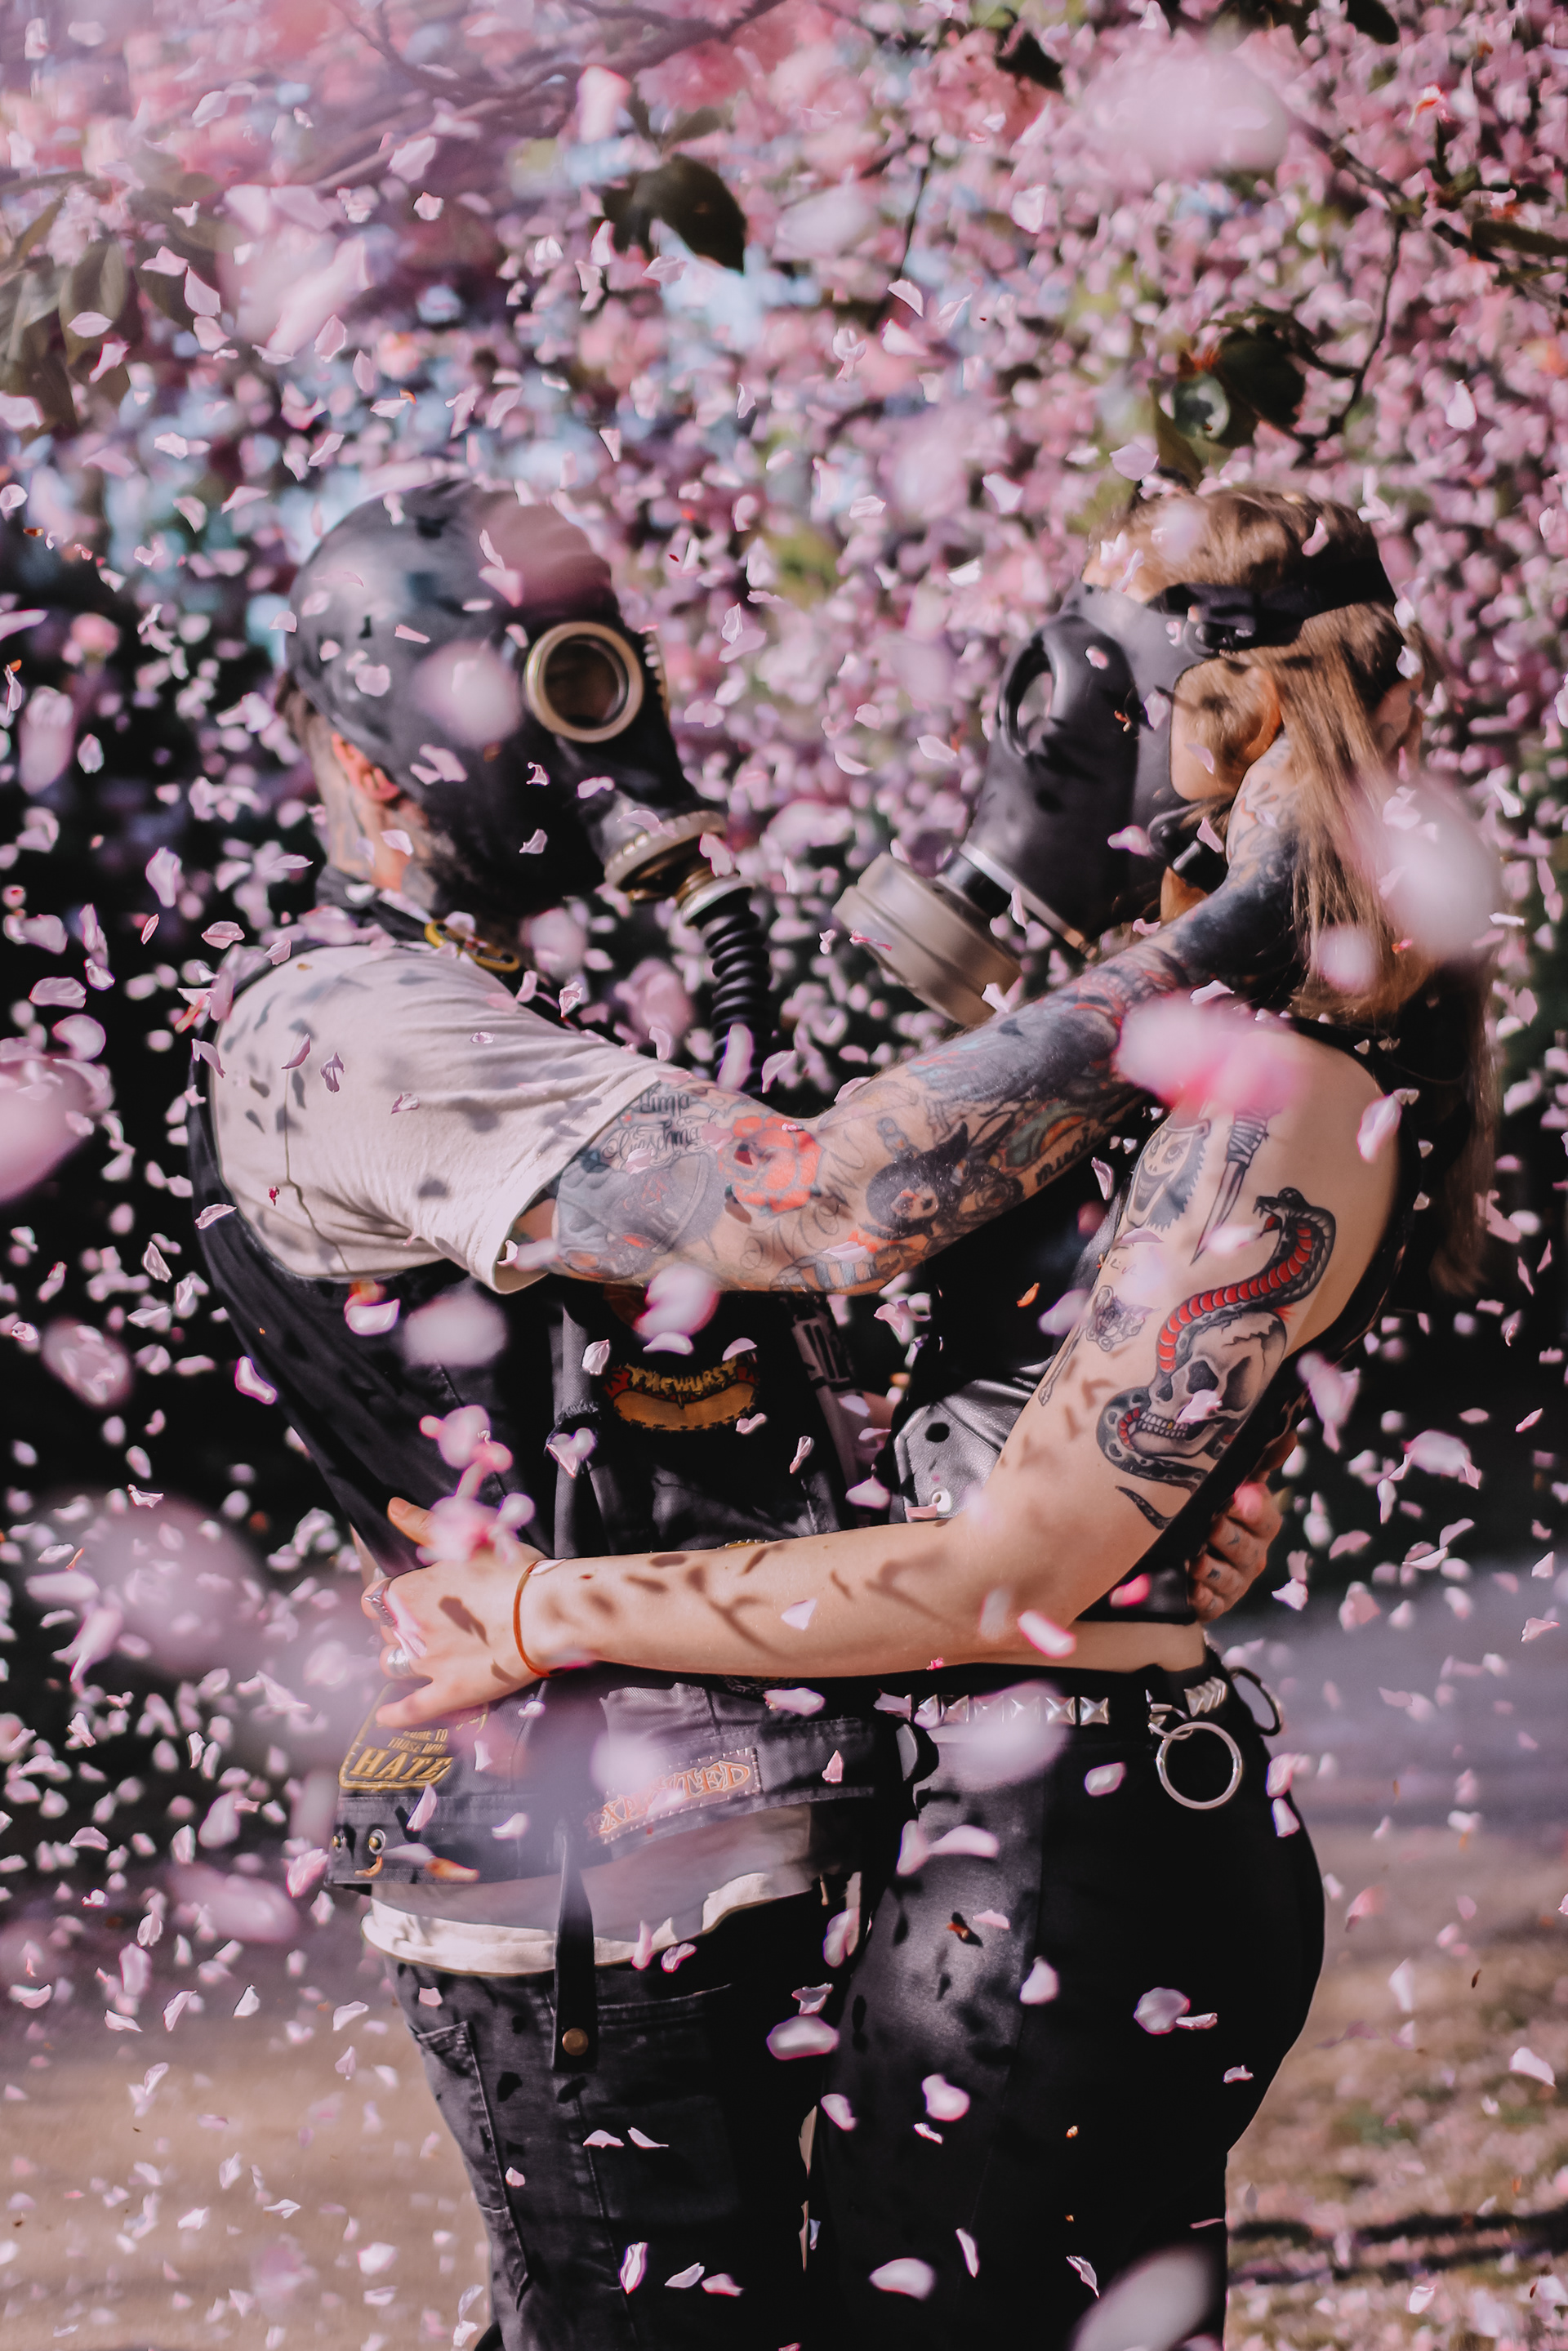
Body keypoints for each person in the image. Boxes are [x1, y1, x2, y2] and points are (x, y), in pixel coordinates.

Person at [363, 490, 1493, 2351]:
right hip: (1027, 1822)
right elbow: (873, 1236)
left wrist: (543, 1613)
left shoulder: (1278, 1091)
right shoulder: (1204, 1062)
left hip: (1068, 1850)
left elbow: (1007, 1570)